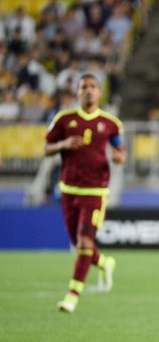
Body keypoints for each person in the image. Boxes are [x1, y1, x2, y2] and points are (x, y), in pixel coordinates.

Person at [44, 73, 126, 313]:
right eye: (84, 87)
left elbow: (120, 151)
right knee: (79, 243)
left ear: (99, 92)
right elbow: (46, 148)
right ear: (77, 93)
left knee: (84, 241)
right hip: (69, 189)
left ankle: (72, 295)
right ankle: (104, 262)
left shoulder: (111, 124)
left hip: (96, 191)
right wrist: (63, 145)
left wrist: (119, 156)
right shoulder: (63, 119)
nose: (89, 90)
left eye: (93, 87)